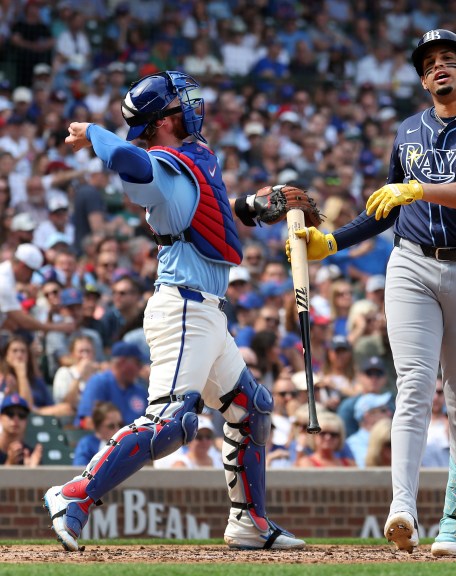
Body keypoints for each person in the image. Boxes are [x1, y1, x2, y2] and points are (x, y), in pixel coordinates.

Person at [43, 70, 304, 552]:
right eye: (181, 102)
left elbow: (207, 207)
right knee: (170, 422)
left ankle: (248, 523)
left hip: (207, 313)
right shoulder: (157, 164)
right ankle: (73, 495)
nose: (193, 106)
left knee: (251, 409)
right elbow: (127, 159)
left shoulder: (195, 154)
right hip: (182, 308)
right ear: (163, 120)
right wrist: (92, 132)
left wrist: (252, 205)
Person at [288, 29, 456, 556]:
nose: (437, 67)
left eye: (447, 59)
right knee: (414, 383)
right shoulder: (407, 130)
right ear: (422, 79)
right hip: (411, 264)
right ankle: (402, 509)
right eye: (428, 64)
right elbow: (387, 207)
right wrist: (331, 241)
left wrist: (418, 187)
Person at [72, 401, 124, 467]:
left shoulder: (124, 444)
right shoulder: (87, 444)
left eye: (120, 425)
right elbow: (79, 469)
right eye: (111, 426)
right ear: (98, 426)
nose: (117, 430)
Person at [0, 393, 42, 467]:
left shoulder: (30, 454)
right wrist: (9, 464)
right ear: (1, 417)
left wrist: (33, 472)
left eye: (21, 415)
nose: (16, 419)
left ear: (26, 420)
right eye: (10, 414)